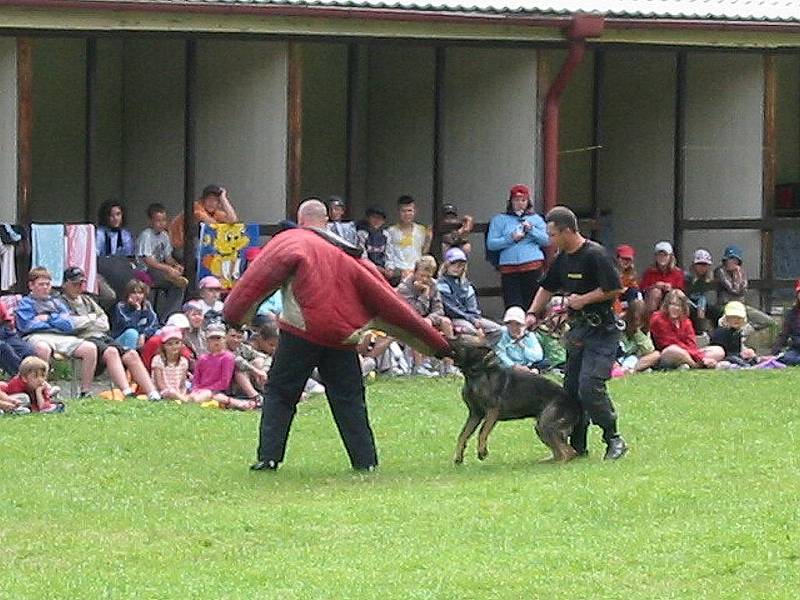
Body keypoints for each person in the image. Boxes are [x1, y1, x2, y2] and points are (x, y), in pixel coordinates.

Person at [223, 198, 450, 472]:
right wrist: (438, 345)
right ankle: (365, 461)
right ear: (326, 222)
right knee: (349, 398)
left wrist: (234, 315)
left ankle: (269, 458)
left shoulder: (293, 239)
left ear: (300, 220)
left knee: (281, 394)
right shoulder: (353, 257)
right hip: (343, 337)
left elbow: (258, 278)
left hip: (301, 331)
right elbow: (393, 305)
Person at [525, 205, 628, 460]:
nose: (551, 240)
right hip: (578, 331)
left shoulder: (596, 255)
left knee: (590, 386)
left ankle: (614, 439)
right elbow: (547, 287)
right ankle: (577, 445)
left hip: (602, 331)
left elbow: (615, 288)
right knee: (570, 389)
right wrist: (531, 313)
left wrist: (583, 299)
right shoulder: (562, 258)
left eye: (553, 235)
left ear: (568, 231)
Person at [61, 267, 160, 401]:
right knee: (111, 351)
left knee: (131, 354)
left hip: (102, 336)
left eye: (81, 283)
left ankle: (153, 394)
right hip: (83, 338)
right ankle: (127, 392)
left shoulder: (87, 300)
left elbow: (104, 322)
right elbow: (70, 324)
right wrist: (91, 318)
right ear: (65, 283)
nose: (79, 287)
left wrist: (88, 320)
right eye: (75, 284)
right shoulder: (61, 302)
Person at [15, 267, 98, 398]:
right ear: (31, 285)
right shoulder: (25, 303)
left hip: (61, 336)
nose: (45, 287)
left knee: (90, 348)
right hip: (36, 336)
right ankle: (44, 392)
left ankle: (85, 392)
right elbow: (28, 326)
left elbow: (69, 324)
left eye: (47, 284)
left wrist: (48, 317)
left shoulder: (57, 302)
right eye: (41, 284)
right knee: (42, 349)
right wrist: (56, 320)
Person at [486, 184, 549, 310]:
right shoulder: (499, 219)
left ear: (528, 202)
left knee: (533, 304)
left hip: (532, 266)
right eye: (516, 200)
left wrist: (532, 230)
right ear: (511, 202)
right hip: (509, 269)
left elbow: (547, 240)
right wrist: (510, 238)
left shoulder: (536, 219)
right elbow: (491, 244)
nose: (520, 204)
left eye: (523, 200)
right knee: (513, 305)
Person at [396, 255, 454, 375]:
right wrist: (425, 294)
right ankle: (419, 366)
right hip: (409, 321)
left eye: (428, 276)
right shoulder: (404, 288)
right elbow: (415, 312)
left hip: (429, 320)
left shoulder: (434, 285)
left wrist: (430, 320)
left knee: (446, 321)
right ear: (415, 272)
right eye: (422, 275)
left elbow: (439, 310)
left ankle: (449, 365)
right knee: (418, 324)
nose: (425, 279)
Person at [136, 203, 188, 321]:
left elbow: (168, 257)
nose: (161, 224)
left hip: (160, 270)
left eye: (164, 220)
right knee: (172, 278)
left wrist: (175, 265)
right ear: (151, 221)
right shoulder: (146, 236)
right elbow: (149, 261)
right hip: (145, 271)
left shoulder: (165, 235)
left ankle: (168, 317)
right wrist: (168, 269)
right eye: (158, 221)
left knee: (178, 286)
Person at [649, 289, 724, 369]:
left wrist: (699, 356)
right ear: (667, 305)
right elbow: (670, 343)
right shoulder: (658, 318)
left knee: (719, 351)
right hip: (666, 354)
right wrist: (700, 358)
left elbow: (691, 343)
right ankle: (696, 366)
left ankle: (692, 364)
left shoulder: (686, 321)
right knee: (674, 350)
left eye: (679, 305)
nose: (676, 308)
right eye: (673, 304)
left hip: (688, 353)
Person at [437, 247, 500, 336]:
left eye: (460, 265)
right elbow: (451, 310)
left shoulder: (467, 286)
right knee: (471, 331)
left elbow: (472, 307)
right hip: (454, 318)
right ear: (446, 265)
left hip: (471, 318)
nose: (457, 268)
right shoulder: (441, 284)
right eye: (453, 264)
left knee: (498, 330)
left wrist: (476, 320)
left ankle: (486, 347)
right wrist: (472, 320)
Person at [714, 245, 776, 333]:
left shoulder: (740, 271)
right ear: (725, 260)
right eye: (730, 259)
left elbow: (744, 289)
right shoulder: (720, 271)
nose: (733, 262)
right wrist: (737, 276)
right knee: (727, 326)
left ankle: (745, 331)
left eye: (735, 260)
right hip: (726, 305)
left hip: (741, 306)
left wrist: (738, 274)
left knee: (768, 321)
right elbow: (733, 289)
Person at [169, 184, 239, 251]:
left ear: (219, 203)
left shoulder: (215, 212)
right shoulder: (196, 206)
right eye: (209, 199)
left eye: (215, 200)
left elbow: (233, 220)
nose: (211, 203)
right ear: (203, 200)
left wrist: (223, 198)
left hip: (189, 245)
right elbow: (212, 224)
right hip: (177, 246)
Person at [95, 199, 137, 306]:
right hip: (103, 273)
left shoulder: (125, 234)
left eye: (118, 214)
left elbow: (130, 257)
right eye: (111, 215)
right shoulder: (99, 233)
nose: (115, 219)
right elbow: (96, 256)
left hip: (122, 272)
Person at [385, 195, 432, 281]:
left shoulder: (421, 230)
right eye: (403, 211)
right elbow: (388, 254)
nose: (407, 214)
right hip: (398, 273)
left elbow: (424, 252)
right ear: (398, 212)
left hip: (416, 272)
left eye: (409, 210)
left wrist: (429, 238)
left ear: (415, 211)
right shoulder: (390, 231)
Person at [494, 306, 547, 373]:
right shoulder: (502, 333)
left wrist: (522, 346)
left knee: (545, 362)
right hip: (509, 368)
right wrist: (513, 366)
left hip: (529, 366)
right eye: (509, 323)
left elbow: (538, 356)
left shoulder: (529, 335)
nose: (513, 327)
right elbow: (500, 354)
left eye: (517, 324)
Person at [111, 279, 160, 350]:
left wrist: (144, 334)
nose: (137, 296)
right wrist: (138, 310)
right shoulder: (121, 306)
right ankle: (130, 358)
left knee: (159, 334)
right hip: (121, 339)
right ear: (128, 294)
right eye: (134, 293)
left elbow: (154, 323)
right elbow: (129, 325)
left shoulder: (147, 305)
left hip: (141, 337)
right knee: (132, 333)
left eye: (140, 293)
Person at [615, 299, 660, 374]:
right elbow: (623, 349)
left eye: (640, 319)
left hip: (637, 359)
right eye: (635, 319)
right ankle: (629, 370)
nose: (638, 322)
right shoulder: (621, 325)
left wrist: (637, 333)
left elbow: (648, 350)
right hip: (620, 357)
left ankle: (632, 370)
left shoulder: (644, 329)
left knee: (656, 355)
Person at [710, 301, 758, 368]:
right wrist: (740, 355)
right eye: (733, 317)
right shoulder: (720, 332)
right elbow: (721, 354)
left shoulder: (737, 333)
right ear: (726, 318)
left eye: (740, 317)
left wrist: (748, 353)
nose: (737, 320)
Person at [640, 241, 684, 314]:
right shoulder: (649, 272)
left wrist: (671, 288)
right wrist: (655, 286)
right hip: (652, 301)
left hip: (671, 300)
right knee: (655, 292)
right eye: (659, 255)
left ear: (670, 257)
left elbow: (681, 291)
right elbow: (642, 289)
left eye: (665, 255)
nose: (662, 258)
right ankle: (650, 320)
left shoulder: (677, 272)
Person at [150, 325, 190, 401]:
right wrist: (170, 392)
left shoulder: (183, 361)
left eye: (177, 343)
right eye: (170, 344)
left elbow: (182, 383)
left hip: (176, 392)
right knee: (171, 392)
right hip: (162, 392)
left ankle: (182, 398)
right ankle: (186, 401)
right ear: (163, 346)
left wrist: (182, 393)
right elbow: (160, 384)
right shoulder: (158, 360)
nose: (174, 346)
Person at [684, 248, 718, 334]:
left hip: (703, 305)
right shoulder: (686, 277)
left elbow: (709, 297)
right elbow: (684, 294)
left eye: (705, 265)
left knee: (716, 310)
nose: (702, 267)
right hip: (688, 303)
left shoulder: (710, 279)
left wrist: (701, 305)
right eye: (699, 264)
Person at [356, 206, 393, 282]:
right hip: (366, 270)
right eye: (374, 217)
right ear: (368, 218)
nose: (376, 221)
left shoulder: (386, 235)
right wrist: (377, 269)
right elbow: (363, 258)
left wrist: (389, 268)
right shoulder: (362, 234)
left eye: (380, 218)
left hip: (383, 271)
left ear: (383, 221)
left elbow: (389, 256)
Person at [0, 298, 35, 376]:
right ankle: (25, 380)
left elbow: (6, 319)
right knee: (3, 348)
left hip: (4, 330)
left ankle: (35, 379)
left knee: (27, 350)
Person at [773, 279, 800, 366]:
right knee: (786, 358)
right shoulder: (792, 313)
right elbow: (784, 334)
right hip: (796, 349)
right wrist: (775, 351)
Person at [613, 244, 641, 315]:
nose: (626, 262)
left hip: (625, 301)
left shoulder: (631, 274)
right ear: (617, 258)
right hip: (612, 299)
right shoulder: (610, 271)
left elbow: (634, 290)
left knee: (634, 292)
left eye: (628, 259)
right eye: (623, 259)